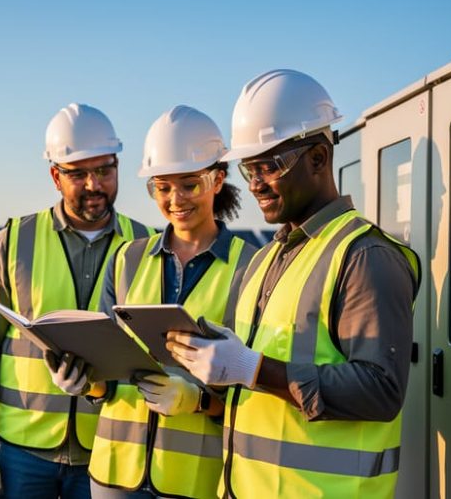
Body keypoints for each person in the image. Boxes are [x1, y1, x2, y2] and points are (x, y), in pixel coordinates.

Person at [166, 69, 422, 498]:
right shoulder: (266, 257)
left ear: (319, 158)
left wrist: (251, 368)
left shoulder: (365, 256)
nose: (255, 185)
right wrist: (220, 365)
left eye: (269, 166)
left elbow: (381, 389)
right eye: (249, 169)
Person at [48, 105, 256, 498]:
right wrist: (84, 382)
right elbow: (106, 374)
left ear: (218, 179)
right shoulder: (126, 260)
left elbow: (257, 389)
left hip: (195, 480)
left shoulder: (251, 267)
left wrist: (199, 402)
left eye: (189, 184)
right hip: (114, 475)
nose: (175, 199)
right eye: (162, 187)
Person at [0, 103, 155, 499]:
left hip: (110, 449)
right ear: (54, 176)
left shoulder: (147, 246)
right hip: (21, 452)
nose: (94, 185)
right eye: (78, 174)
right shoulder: (14, 243)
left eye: (104, 170)